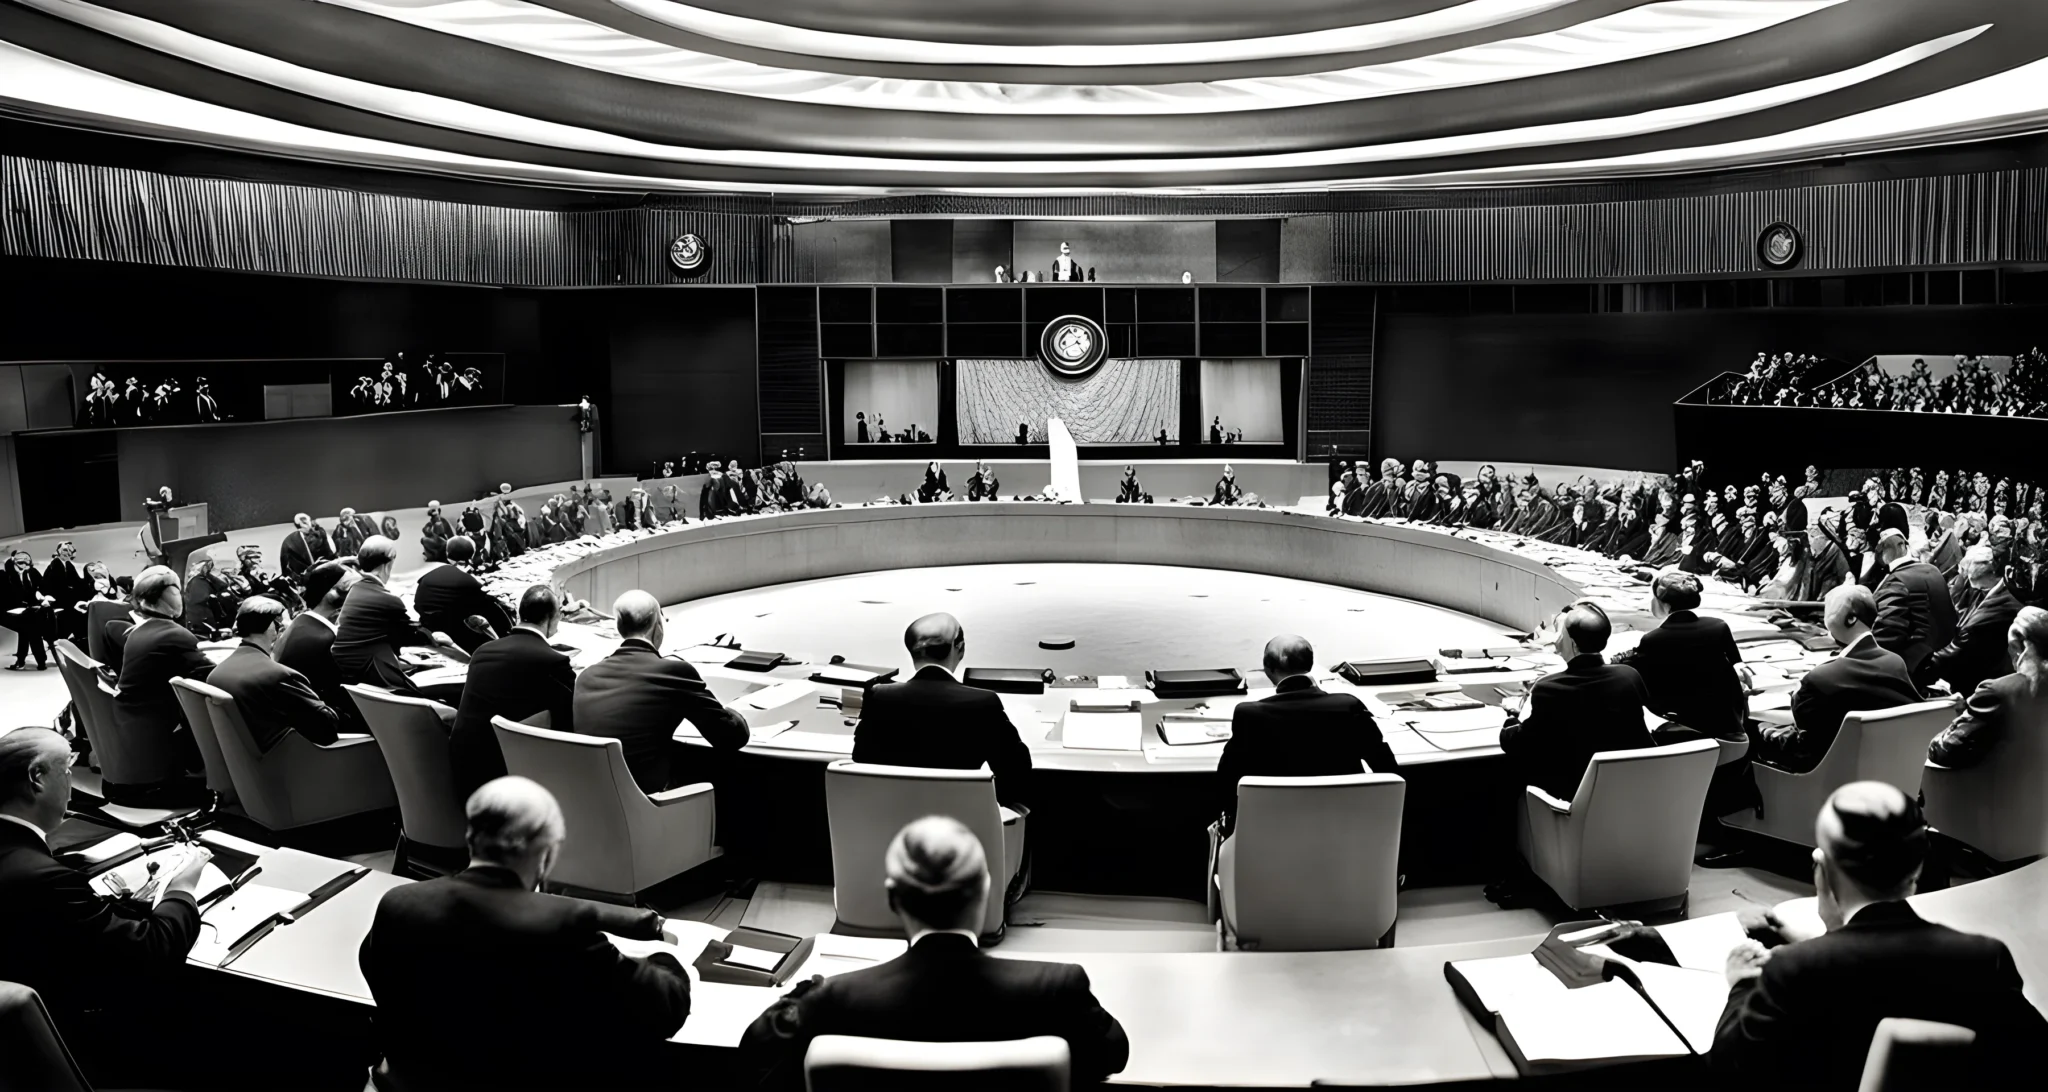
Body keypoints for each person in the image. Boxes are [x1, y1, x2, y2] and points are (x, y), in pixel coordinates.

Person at [737, 816, 1128, 1089]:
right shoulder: (1056, 989)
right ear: (986, 890)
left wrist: (810, 988)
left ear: (893, 898)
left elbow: (755, 1047)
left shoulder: (833, 1001)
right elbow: (1112, 1055)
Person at [360, 776, 692, 1091]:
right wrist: (670, 960)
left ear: (472, 838)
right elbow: (660, 1011)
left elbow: (372, 965)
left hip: (408, 1086)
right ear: (546, 851)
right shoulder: (563, 923)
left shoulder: (398, 902)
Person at [1711, 782, 2048, 1089]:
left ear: (1822, 870)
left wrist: (1742, 985)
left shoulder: (1792, 970)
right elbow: (2030, 1057)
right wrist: (1833, 935)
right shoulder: (1982, 958)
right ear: (1916, 869)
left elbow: (1731, 1070)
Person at [0, 728, 211, 1087]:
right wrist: (182, 887)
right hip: (73, 1042)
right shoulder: (45, 879)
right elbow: (153, 949)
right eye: (67, 771)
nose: (73, 784)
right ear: (37, 778)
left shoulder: (25, 862)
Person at [1215, 636, 1396, 833]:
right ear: (1310, 663)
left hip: (1272, 834)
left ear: (1267, 668)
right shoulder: (1347, 706)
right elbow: (1387, 768)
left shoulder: (1249, 715)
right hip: (1347, 832)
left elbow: (1225, 783)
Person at [574, 590, 749, 793]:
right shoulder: (673, 672)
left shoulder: (585, 677)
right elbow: (732, 737)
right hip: (649, 800)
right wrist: (734, 710)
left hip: (593, 797)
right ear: (658, 626)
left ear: (619, 627)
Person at [854, 613, 1033, 809]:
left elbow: (861, 762)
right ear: (961, 648)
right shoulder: (983, 703)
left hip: (886, 821)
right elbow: (1017, 774)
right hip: (958, 827)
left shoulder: (878, 697)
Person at [1753, 584, 1920, 773]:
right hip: (1889, 767)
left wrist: (1764, 729)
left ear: (1851, 619)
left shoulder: (1820, 679)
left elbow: (1803, 743)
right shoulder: (1895, 662)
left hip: (1826, 776)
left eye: (1829, 610)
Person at [1499, 601, 1653, 802]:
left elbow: (1520, 744)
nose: (1556, 640)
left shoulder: (1547, 688)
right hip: (1633, 794)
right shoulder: (1630, 677)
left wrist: (1512, 719)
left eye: (1560, 634)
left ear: (1572, 643)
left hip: (1573, 800)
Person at [448, 586, 577, 800]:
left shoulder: (482, 652)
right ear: (553, 619)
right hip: (507, 780)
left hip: (462, 773)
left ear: (519, 614)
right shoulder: (553, 661)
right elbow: (568, 724)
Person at [108, 566, 211, 800]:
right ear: (166, 596)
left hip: (135, 737)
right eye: (176, 590)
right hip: (159, 748)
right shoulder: (174, 634)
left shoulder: (139, 631)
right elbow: (214, 677)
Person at [1620, 572, 1747, 742]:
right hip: (1725, 717)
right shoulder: (1718, 626)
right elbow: (1737, 663)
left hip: (1687, 720)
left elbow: (1637, 672)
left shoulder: (1654, 639)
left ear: (1663, 603)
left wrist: (1621, 658)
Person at [332, 536, 464, 698]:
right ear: (388, 564)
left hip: (358, 677)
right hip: (378, 680)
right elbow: (412, 636)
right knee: (458, 685)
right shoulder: (386, 598)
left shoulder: (357, 589)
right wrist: (440, 640)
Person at [207, 596, 341, 752]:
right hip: (290, 765)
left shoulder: (216, 673)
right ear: (274, 627)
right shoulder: (280, 676)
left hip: (245, 761)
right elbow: (327, 729)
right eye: (286, 623)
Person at [1927, 606, 2048, 768]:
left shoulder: (1997, 692)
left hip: (1995, 790)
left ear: (2022, 648)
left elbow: (1942, 751)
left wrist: (1963, 717)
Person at [1920, 545, 2023, 693]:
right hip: (1976, 664)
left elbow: (1960, 645)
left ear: (1990, 575)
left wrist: (1922, 668)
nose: (1967, 581)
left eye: (1969, 577)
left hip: (1987, 679)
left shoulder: (2002, 605)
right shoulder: (1985, 588)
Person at [1871, 529, 1958, 676]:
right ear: (1906, 547)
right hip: (1946, 658)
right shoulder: (1933, 570)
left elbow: (1886, 635)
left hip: (1915, 668)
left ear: (1883, 557)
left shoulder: (1896, 581)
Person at [413, 535, 512, 656]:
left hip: (428, 629)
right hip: (456, 635)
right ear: (471, 555)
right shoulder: (468, 581)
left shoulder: (428, 576)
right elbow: (488, 608)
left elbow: (417, 605)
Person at [2, 550, 55, 670]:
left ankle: (23, 660)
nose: (24, 566)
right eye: (21, 562)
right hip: (10, 612)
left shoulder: (32, 573)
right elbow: (6, 596)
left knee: (28, 628)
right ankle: (39, 660)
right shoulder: (6, 575)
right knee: (29, 628)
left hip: (29, 612)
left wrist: (42, 598)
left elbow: (42, 587)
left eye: (27, 563)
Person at [41, 542, 88, 645]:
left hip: (68, 600)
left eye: (70, 550)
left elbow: (76, 582)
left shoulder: (69, 565)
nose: (67, 553)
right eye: (65, 550)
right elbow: (52, 585)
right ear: (58, 551)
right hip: (60, 601)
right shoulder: (54, 565)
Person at [279, 512, 333, 580]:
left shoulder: (320, 534)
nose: (309, 526)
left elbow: (328, 553)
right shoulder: (289, 542)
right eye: (304, 523)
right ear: (300, 524)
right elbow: (285, 566)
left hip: (325, 573)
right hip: (304, 579)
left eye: (308, 522)